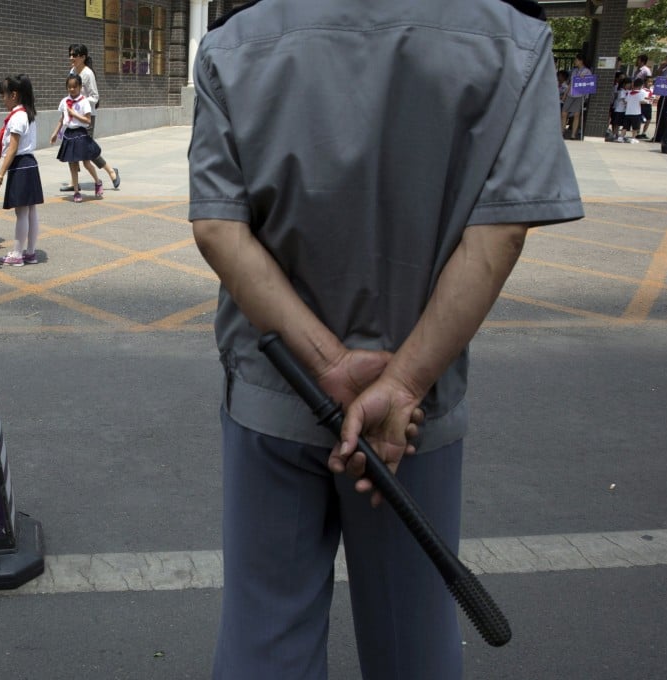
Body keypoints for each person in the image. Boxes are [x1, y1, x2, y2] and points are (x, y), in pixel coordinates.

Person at [187, 1, 584, 679]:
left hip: (276, 394)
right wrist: (404, 382)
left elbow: (219, 228)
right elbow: (501, 234)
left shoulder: (238, 40)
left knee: (266, 637)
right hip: (412, 420)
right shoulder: (510, 38)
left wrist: (330, 364)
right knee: (414, 640)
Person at [0, 75, 44, 266]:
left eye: (4, 95)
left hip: (21, 165)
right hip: (30, 163)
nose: (3, 99)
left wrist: (0, 172)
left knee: (21, 213)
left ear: (14, 95)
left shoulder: (17, 117)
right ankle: (30, 252)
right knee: (31, 211)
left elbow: (13, 148)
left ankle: (17, 254)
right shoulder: (28, 114)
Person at [60, 44, 120, 193]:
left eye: (74, 55)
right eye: (70, 55)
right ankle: (75, 184)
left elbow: (95, 97)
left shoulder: (88, 74)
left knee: (87, 150)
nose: (71, 58)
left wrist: (81, 102)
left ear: (83, 57)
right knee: (72, 151)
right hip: (73, 118)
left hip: (87, 117)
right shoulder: (72, 71)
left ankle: (111, 170)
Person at [50, 74, 104, 204]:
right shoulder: (64, 102)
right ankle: (76, 191)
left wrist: (75, 114)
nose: (72, 89)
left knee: (86, 162)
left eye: (75, 87)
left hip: (80, 133)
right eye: (69, 87)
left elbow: (88, 120)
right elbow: (62, 118)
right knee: (73, 164)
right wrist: (55, 133)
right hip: (69, 134)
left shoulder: (84, 101)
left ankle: (97, 182)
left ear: (80, 87)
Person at [562, 52, 591, 140]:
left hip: (580, 95)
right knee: (564, 112)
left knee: (576, 114)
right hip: (571, 94)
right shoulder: (574, 71)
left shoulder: (587, 71)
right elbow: (571, 83)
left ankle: (573, 135)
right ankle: (562, 131)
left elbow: (589, 84)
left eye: (576, 60)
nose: (575, 61)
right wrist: (565, 94)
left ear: (581, 61)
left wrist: (584, 79)